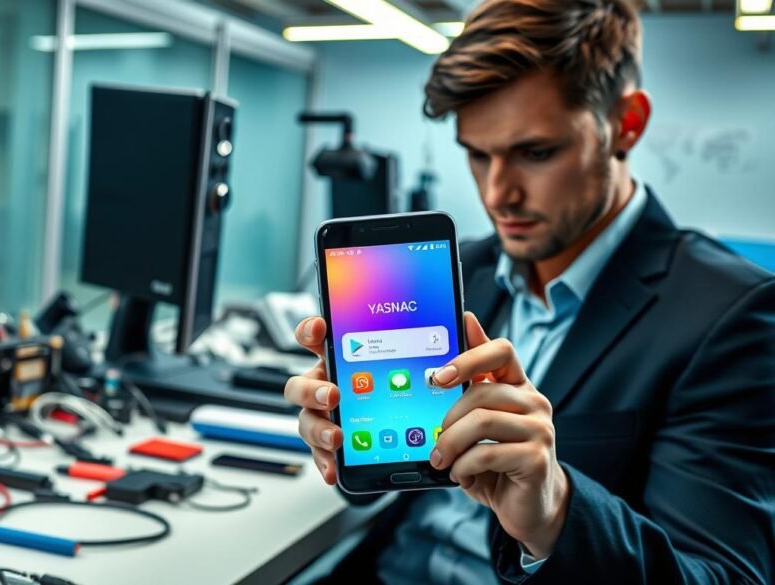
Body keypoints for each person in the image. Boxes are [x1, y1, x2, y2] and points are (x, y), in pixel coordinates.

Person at [284, 1, 775, 583]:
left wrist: (556, 511)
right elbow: (388, 482)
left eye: (535, 153)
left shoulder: (730, 314)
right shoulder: (459, 268)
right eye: (477, 154)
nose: (498, 195)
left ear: (627, 123)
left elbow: (724, 575)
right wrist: (348, 437)